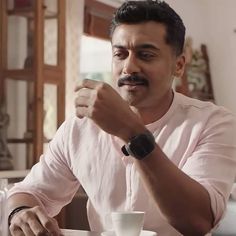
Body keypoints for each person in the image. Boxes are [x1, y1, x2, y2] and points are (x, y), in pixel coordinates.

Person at [7, 1, 236, 236]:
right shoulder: (80, 127)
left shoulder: (213, 122)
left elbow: (198, 221)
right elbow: (30, 191)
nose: (129, 67)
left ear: (178, 65)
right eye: (120, 54)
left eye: (145, 55)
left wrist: (133, 133)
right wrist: (20, 213)